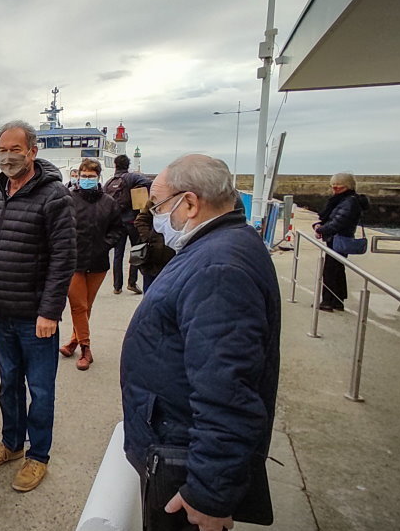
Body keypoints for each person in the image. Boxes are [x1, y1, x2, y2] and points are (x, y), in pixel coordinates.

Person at [121, 154, 280, 531]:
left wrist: (209, 493)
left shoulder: (217, 269)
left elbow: (228, 392)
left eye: (159, 206)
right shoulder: (221, 245)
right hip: (176, 440)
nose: (156, 216)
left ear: (190, 203)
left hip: (183, 461)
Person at [0, 120, 75, 493]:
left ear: (32, 152)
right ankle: (12, 444)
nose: (7, 156)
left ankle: (39, 456)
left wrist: (49, 312)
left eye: (15, 149)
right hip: (3, 311)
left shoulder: (54, 197)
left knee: (41, 390)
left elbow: (64, 258)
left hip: (37, 317)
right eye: (2, 150)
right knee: (8, 385)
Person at [60, 158, 123, 371]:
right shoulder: (69, 199)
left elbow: (117, 229)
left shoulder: (109, 202)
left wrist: (104, 245)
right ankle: (86, 349)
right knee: (79, 305)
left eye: (91, 176)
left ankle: (73, 341)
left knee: (87, 305)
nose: (87, 179)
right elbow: (60, 227)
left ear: (98, 177)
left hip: (98, 262)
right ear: (77, 176)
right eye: (83, 175)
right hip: (73, 262)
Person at [313, 172, 370, 312]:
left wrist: (321, 230)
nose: (334, 190)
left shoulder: (348, 202)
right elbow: (334, 220)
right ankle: (337, 301)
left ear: (348, 187)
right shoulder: (345, 200)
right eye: (333, 187)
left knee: (331, 271)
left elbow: (338, 222)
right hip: (338, 238)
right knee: (337, 271)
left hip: (338, 239)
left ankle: (327, 301)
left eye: (338, 187)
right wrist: (319, 225)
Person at [103, 154, 153, 295]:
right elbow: (148, 183)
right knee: (136, 250)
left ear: (115, 165)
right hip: (132, 220)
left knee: (118, 254)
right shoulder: (132, 177)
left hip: (117, 222)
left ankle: (117, 286)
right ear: (128, 165)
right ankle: (132, 282)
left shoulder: (109, 182)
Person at [132, 200, 176, 294]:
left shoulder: (185, 201)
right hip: (154, 256)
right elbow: (140, 220)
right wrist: (149, 238)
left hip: (174, 256)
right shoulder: (155, 200)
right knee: (149, 292)